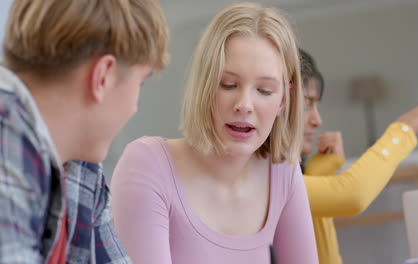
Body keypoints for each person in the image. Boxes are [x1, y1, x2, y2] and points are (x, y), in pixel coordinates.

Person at [111, 3, 319, 264]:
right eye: (228, 84)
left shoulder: (282, 170)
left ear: (284, 100)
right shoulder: (147, 165)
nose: (244, 104)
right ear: (205, 86)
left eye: (264, 90)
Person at [0, 0, 169, 262]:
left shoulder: (81, 166)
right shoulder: (7, 140)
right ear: (103, 76)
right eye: (140, 83)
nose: (135, 107)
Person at [298, 48, 418, 264]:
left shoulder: (286, 177)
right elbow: (352, 194)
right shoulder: (263, 178)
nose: (317, 120)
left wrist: (317, 178)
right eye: (306, 104)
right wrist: (409, 126)